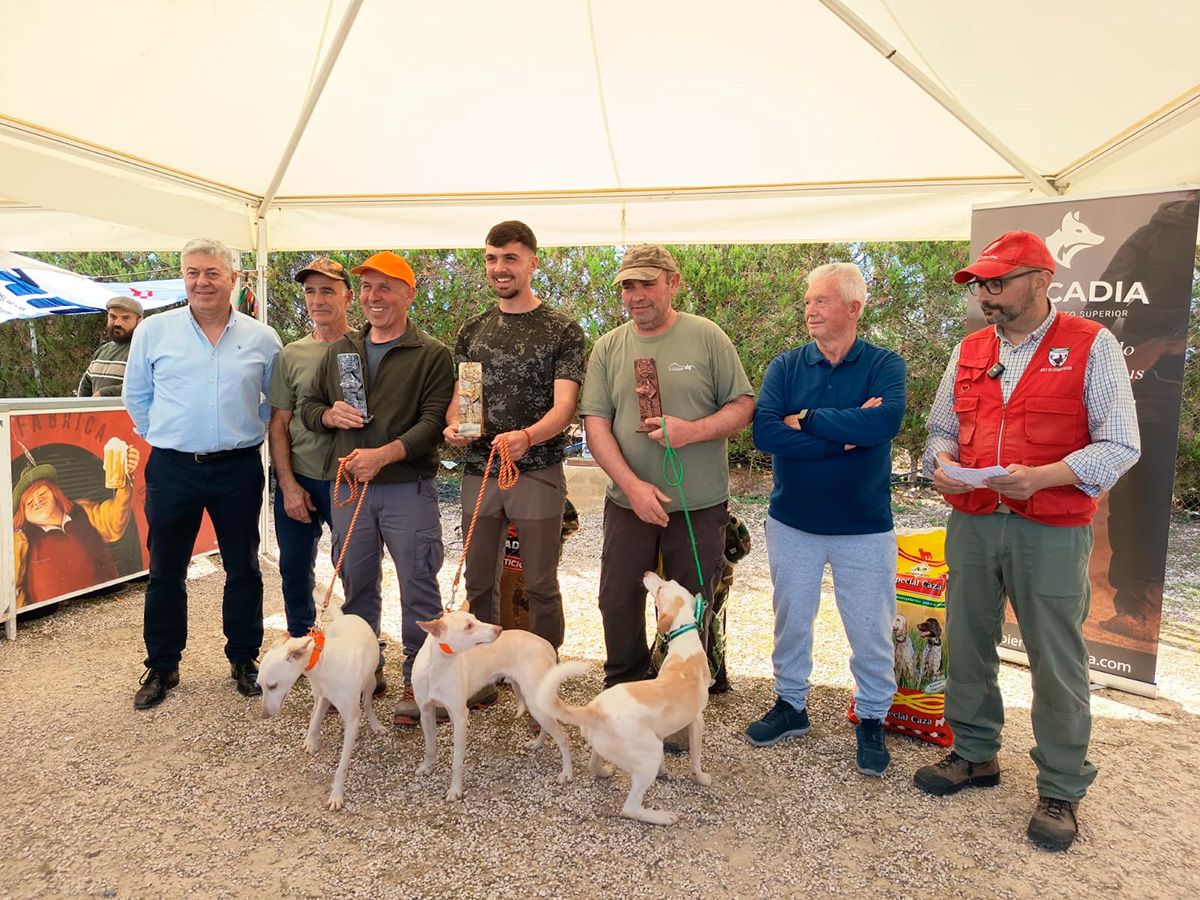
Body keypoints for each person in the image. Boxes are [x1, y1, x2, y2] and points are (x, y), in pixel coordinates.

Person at [915, 230, 1140, 850]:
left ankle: (1062, 787)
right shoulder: (968, 350)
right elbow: (940, 430)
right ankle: (975, 752)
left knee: (1055, 656)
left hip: (1052, 526)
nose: (985, 295)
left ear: (1042, 279)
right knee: (965, 637)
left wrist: (1044, 477)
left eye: (998, 282)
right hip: (974, 519)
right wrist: (939, 462)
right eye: (979, 285)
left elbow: (1120, 443)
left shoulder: (1093, 345)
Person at [744, 263, 906, 777]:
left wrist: (810, 420)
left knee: (870, 627)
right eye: (808, 301)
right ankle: (791, 706)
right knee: (792, 620)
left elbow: (885, 422)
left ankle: (873, 717)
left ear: (854, 309)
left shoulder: (885, 364)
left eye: (822, 301)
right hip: (793, 522)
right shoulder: (786, 366)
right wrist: (846, 438)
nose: (810, 309)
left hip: (864, 526)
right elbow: (766, 435)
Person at [579, 243, 754, 700]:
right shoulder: (608, 346)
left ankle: (679, 698)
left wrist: (691, 431)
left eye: (647, 284)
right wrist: (632, 486)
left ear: (673, 283)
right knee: (616, 600)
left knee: (692, 607)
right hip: (628, 502)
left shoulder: (707, 336)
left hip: (697, 505)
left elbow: (743, 406)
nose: (636, 296)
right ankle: (623, 691)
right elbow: (595, 425)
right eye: (628, 286)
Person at [124, 238, 282, 710]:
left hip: (236, 467)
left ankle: (243, 657)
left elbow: (274, 401)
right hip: (173, 468)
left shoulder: (261, 338)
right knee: (166, 570)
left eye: (212, 273)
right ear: (183, 278)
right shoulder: (154, 332)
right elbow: (137, 395)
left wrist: (246, 429)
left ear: (233, 279)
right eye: (192, 272)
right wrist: (167, 434)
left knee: (244, 566)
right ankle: (163, 664)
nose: (201, 282)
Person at [298, 250, 454, 726]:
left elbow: (433, 422)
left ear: (408, 293)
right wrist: (328, 415)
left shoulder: (432, 354)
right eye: (366, 288)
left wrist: (383, 455)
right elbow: (308, 406)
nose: (373, 297)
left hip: (408, 487)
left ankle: (420, 679)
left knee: (419, 586)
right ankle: (367, 671)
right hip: (350, 490)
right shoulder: (341, 350)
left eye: (385, 287)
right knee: (357, 584)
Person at [444, 221, 585, 707]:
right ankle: (479, 676)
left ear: (531, 262)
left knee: (541, 582)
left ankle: (542, 681)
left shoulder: (562, 329)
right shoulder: (473, 330)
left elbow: (564, 408)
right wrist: (454, 429)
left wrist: (528, 437)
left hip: (538, 470)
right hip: (479, 473)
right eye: (491, 258)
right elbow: (465, 402)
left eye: (509, 258)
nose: (499, 268)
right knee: (479, 579)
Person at [267, 257, 354, 642]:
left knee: (353, 566)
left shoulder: (366, 348)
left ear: (348, 297)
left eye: (327, 291)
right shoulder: (291, 355)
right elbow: (279, 423)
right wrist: (287, 485)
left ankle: (361, 642)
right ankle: (302, 640)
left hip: (349, 479)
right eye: (310, 291)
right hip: (300, 475)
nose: (317, 299)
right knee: (295, 566)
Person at [12, 447, 140, 608]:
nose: (37, 502)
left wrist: (124, 478)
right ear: (23, 514)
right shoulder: (22, 540)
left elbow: (115, 522)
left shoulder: (83, 511)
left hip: (101, 602)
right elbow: (12, 582)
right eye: (28, 503)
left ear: (55, 493)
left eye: (42, 493)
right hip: (51, 615)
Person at [77, 296, 143, 397]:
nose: (117, 323)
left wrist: (104, 394)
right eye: (113, 317)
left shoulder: (144, 350)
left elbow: (144, 386)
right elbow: (85, 387)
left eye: (126, 318)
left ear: (139, 321)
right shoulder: (103, 350)